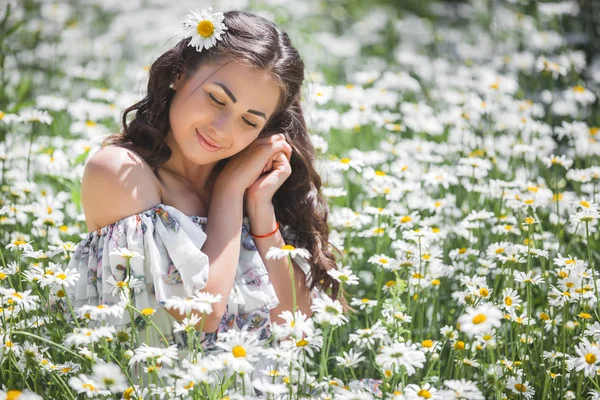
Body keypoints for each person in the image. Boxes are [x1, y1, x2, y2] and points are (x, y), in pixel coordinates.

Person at [66, 7, 345, 381]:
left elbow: (294, 324)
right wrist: (229, 194)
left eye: (249, 121)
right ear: (179, 75)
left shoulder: (246, 183)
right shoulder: (121, 173)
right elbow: (202, 314)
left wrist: (260, 208)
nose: (221, 130)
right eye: (217, 99)